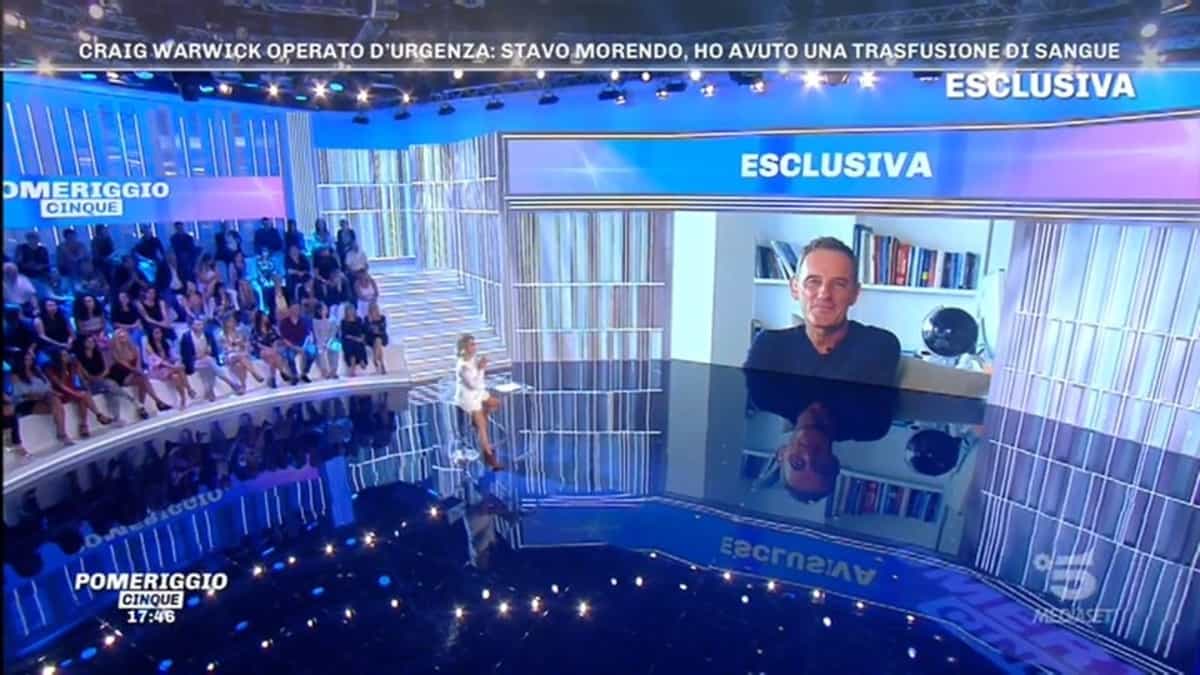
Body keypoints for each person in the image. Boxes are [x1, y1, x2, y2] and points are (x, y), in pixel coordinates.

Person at [744, 237, 901, 388]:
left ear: (854, 294)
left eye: (839, 284)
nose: (824, 294)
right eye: (813, 281)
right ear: (795, 288)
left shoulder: (879, 345)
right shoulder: (768, 346)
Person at [741, 367, 896, 502]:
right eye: (820, 465)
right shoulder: (871, 423)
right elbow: (883, 349)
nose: (809, 455)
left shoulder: (765, 393)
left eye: (797, 463)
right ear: (834, 463)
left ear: (781, 454)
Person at [454, 334, 502, 470]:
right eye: (471, 344)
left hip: (479, 393)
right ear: (464, 348)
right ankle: (489, 457)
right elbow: (473, 385)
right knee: (482, 427)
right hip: (468, 398)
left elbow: (479, 382)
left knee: (496, 403)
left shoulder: (473, 359)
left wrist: (480, 367)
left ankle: (479, 419)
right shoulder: (463, 366)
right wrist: (481, 368)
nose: (475, 347)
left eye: (475, 344)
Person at [73, 334, 145, 422]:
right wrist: (98, 379)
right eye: (89, 341)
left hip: (103, 379)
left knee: (110, 389)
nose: (92, 343)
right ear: (83, 343)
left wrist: (102, 377)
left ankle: (116, 417)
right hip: (92, 384)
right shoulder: (79, 359)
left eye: (92, 341)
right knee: (109, 385)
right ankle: (133, 400)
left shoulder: (98, 353)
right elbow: (87, 376)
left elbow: (107, 369)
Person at [45, 348, 115, 437]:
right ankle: (97, 417)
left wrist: (76, 369)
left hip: (71, 391)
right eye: (64, 356)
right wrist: (63, 367)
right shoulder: (50, 369)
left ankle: (86, 423)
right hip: (60, 394)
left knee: (84, 394)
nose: (67, 357)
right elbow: (61, 385)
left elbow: (75, 381)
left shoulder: (71, 365)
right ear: (57, 358)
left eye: (67, 355)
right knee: (81, 395)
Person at [9, 345, 71, 445]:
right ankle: (62, 434)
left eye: (30, 357)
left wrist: (48, 393)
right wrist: (38, 395)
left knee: (55, 400)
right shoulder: (15, 376)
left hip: (44, 398)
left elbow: (47, 387)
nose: (30, 359)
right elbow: (18, 395)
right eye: (27, 358)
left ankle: (62, 433)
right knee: (56, 404)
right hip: (26, 403)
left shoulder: (37, 371)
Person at [108, 328, 172, 414]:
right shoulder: (115, 352)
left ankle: (143, 407)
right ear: (116, 339)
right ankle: (158, 402)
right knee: (143, 378)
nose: (123, 338)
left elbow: (138, 365)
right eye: (120, 337)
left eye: (124, 335)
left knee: (142, 379)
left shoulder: (135, 348)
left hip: (135, 373)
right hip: (122, 376)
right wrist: (139, 372)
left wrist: (139, 372)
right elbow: (127, 367)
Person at [180, 318, 242, 401]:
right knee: (210, 362)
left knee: (210, 364)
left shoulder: (207, 334)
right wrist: (198, 357)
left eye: (201, 324)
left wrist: (209, 352)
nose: (200, 327)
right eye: (198, 325)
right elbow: (185, 355)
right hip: (194, 362)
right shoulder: (186, 337)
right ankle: (231, 383)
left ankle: (209, 392)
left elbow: (213, 350)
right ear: (192, 326)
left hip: (208, 359)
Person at [145, 326, 194, 409]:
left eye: (160, 333)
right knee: (179, 369)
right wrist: (173, 366)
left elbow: (173, 356)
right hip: (158, 369)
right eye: (156, 333)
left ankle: (183, 399)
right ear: (152, 335)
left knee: (176, 376)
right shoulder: (149, 346)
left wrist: (177, 362)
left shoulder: (166, 343)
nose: (159, 335)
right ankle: (189, 389)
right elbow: (157, 361)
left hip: (169, 368)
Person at [217, 316, 263, 392]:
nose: (233, 323)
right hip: (229, 356)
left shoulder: (239, 332)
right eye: (230, 321)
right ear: (226, 323)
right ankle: (254, 373)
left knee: (240, 365)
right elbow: (227, 348)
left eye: (233, 321)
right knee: (240, 356)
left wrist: (242, 345)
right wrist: (236, 344)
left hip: (240, 354)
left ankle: (243, 386)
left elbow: (245, 344)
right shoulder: (222, 335)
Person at [252, 311, 296, 387]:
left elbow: (277, 339)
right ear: (260, 318)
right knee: (271, 354)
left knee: (272, 359)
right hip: (261, 350)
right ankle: (283, 373)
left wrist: (274, 347)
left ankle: (272, 380)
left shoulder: (271, 328)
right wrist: (268, 349)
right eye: (264, 316)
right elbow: (256, 343)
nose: (266, 317)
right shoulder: (255, 330)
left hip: (273, 351)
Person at [277, 304, 315, 384]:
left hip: (303, 343)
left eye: (297, 309)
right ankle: (295, 376)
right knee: (289, 356)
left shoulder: (303, 320)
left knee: (312, 351)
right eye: (293, 309)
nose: (295, 311)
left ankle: (304, 374)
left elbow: (308, 336)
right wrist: (295, 347)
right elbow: (284, 339)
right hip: (291, 345)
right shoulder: (284, 323)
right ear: (289, 310)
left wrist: (303, 347)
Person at [310, 302, 339, 380]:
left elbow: (333, 333)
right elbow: (316, 334)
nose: (325, 310)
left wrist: (328, 343)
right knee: (319, 350)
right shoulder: (315, 321)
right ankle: (324, 371)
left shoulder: (332, 319)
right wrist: (322, 343)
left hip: (330, 340)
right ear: (318, 310)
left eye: (325, 308)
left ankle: (334, 370)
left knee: (336, 346)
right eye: (323, 309)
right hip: (320, 341)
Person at [339, 304, 368, 377]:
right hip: (348, 340)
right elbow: (345, 335)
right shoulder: (343, 321)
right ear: (346, 312)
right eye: (349, 310)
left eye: (352, 310)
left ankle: (358, 363)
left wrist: (362, 338)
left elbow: (363, 331)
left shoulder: (359, 320)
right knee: (351, 345)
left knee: (358, 344)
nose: (351, 312)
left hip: (358, 340)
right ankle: (359, 361)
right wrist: (356, 339)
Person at [365, 302, 388, 375]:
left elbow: (383, 328)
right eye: (372, 309)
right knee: (378, 342)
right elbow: (366, 330)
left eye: (375, 308)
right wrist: (370, 322)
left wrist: (376, 330)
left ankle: (375, 359)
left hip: (381, 336)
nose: (374, 310)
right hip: (370, 338)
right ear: (370, 310)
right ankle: (382, 364)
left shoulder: (382, 318)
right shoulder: (367, 318)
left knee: (378, 340)